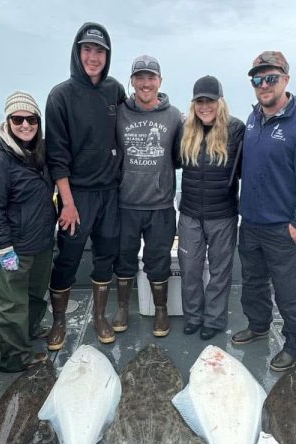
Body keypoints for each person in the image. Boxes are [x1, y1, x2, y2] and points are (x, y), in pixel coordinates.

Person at [232, 51, 296, 371]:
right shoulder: (252, 119)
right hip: (251, 222)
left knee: (289, 291)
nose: (264, 84)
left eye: (271, 78)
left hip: (283, 227)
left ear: (286, 80)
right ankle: (258, 325)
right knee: (254, 282)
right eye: (257, 79)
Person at [44, 23, 126, 349]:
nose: (93, 57)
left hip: (111, 193)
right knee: (68, 258)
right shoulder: (60, 95)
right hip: (75, 195)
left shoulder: (114, 90)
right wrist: (67, 202)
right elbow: (56, 155)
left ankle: (100, 317)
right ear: (78, 52)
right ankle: (59, 321)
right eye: (87, 50)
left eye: (100, 51)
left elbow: (133, 119)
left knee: (106, 255)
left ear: (107, 56)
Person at [0, 91, 56, 373]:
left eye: (31, 119)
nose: (25, 125)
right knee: (10, 304)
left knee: (35, 296)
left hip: (40, 244)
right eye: (18, 119)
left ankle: (31, 331)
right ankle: (15, 358)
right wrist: (4, 250)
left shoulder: (39, 154)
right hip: (11, 249)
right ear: (8, 120)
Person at [112, 55, 183, 337]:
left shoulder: (175, 116)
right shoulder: (118, 113)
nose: (145, 83)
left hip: (161, 206)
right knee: (124, 258)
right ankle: (121, 308)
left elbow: (180, 157)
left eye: (151, 77)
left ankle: (161, 310)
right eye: (139, 77)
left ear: (160, 81)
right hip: (125, 204)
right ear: (131, 81)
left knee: (159, 260)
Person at [177, 75, 245, 340]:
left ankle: (214, 320)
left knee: (220, 272)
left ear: (220, 102)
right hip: (190, 214)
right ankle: (193, 316)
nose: (205, 106)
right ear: (194, 104)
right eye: (200, 101)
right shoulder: (185, 130)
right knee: (190, 270)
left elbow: (248, 170)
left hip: (223, 215)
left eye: (210, 101)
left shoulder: (236, 129)